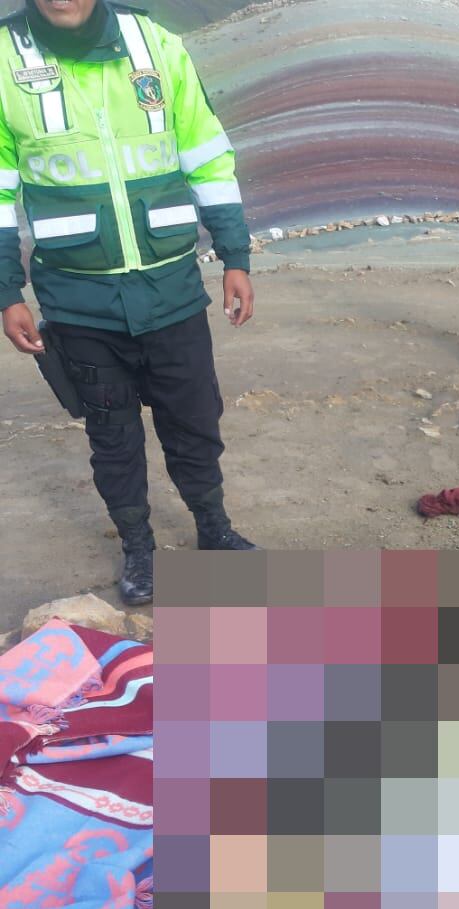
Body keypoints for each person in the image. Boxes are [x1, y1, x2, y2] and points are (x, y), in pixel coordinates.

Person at [0, 0, 258, 607]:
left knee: (195, 422)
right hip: (78, 303)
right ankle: (139, 549)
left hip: (172, 292)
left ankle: (214, 528)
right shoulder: (4, 59)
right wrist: (7, 292)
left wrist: (235, 255)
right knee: (112, 437)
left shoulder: (156, 44)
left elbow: (207, 155)